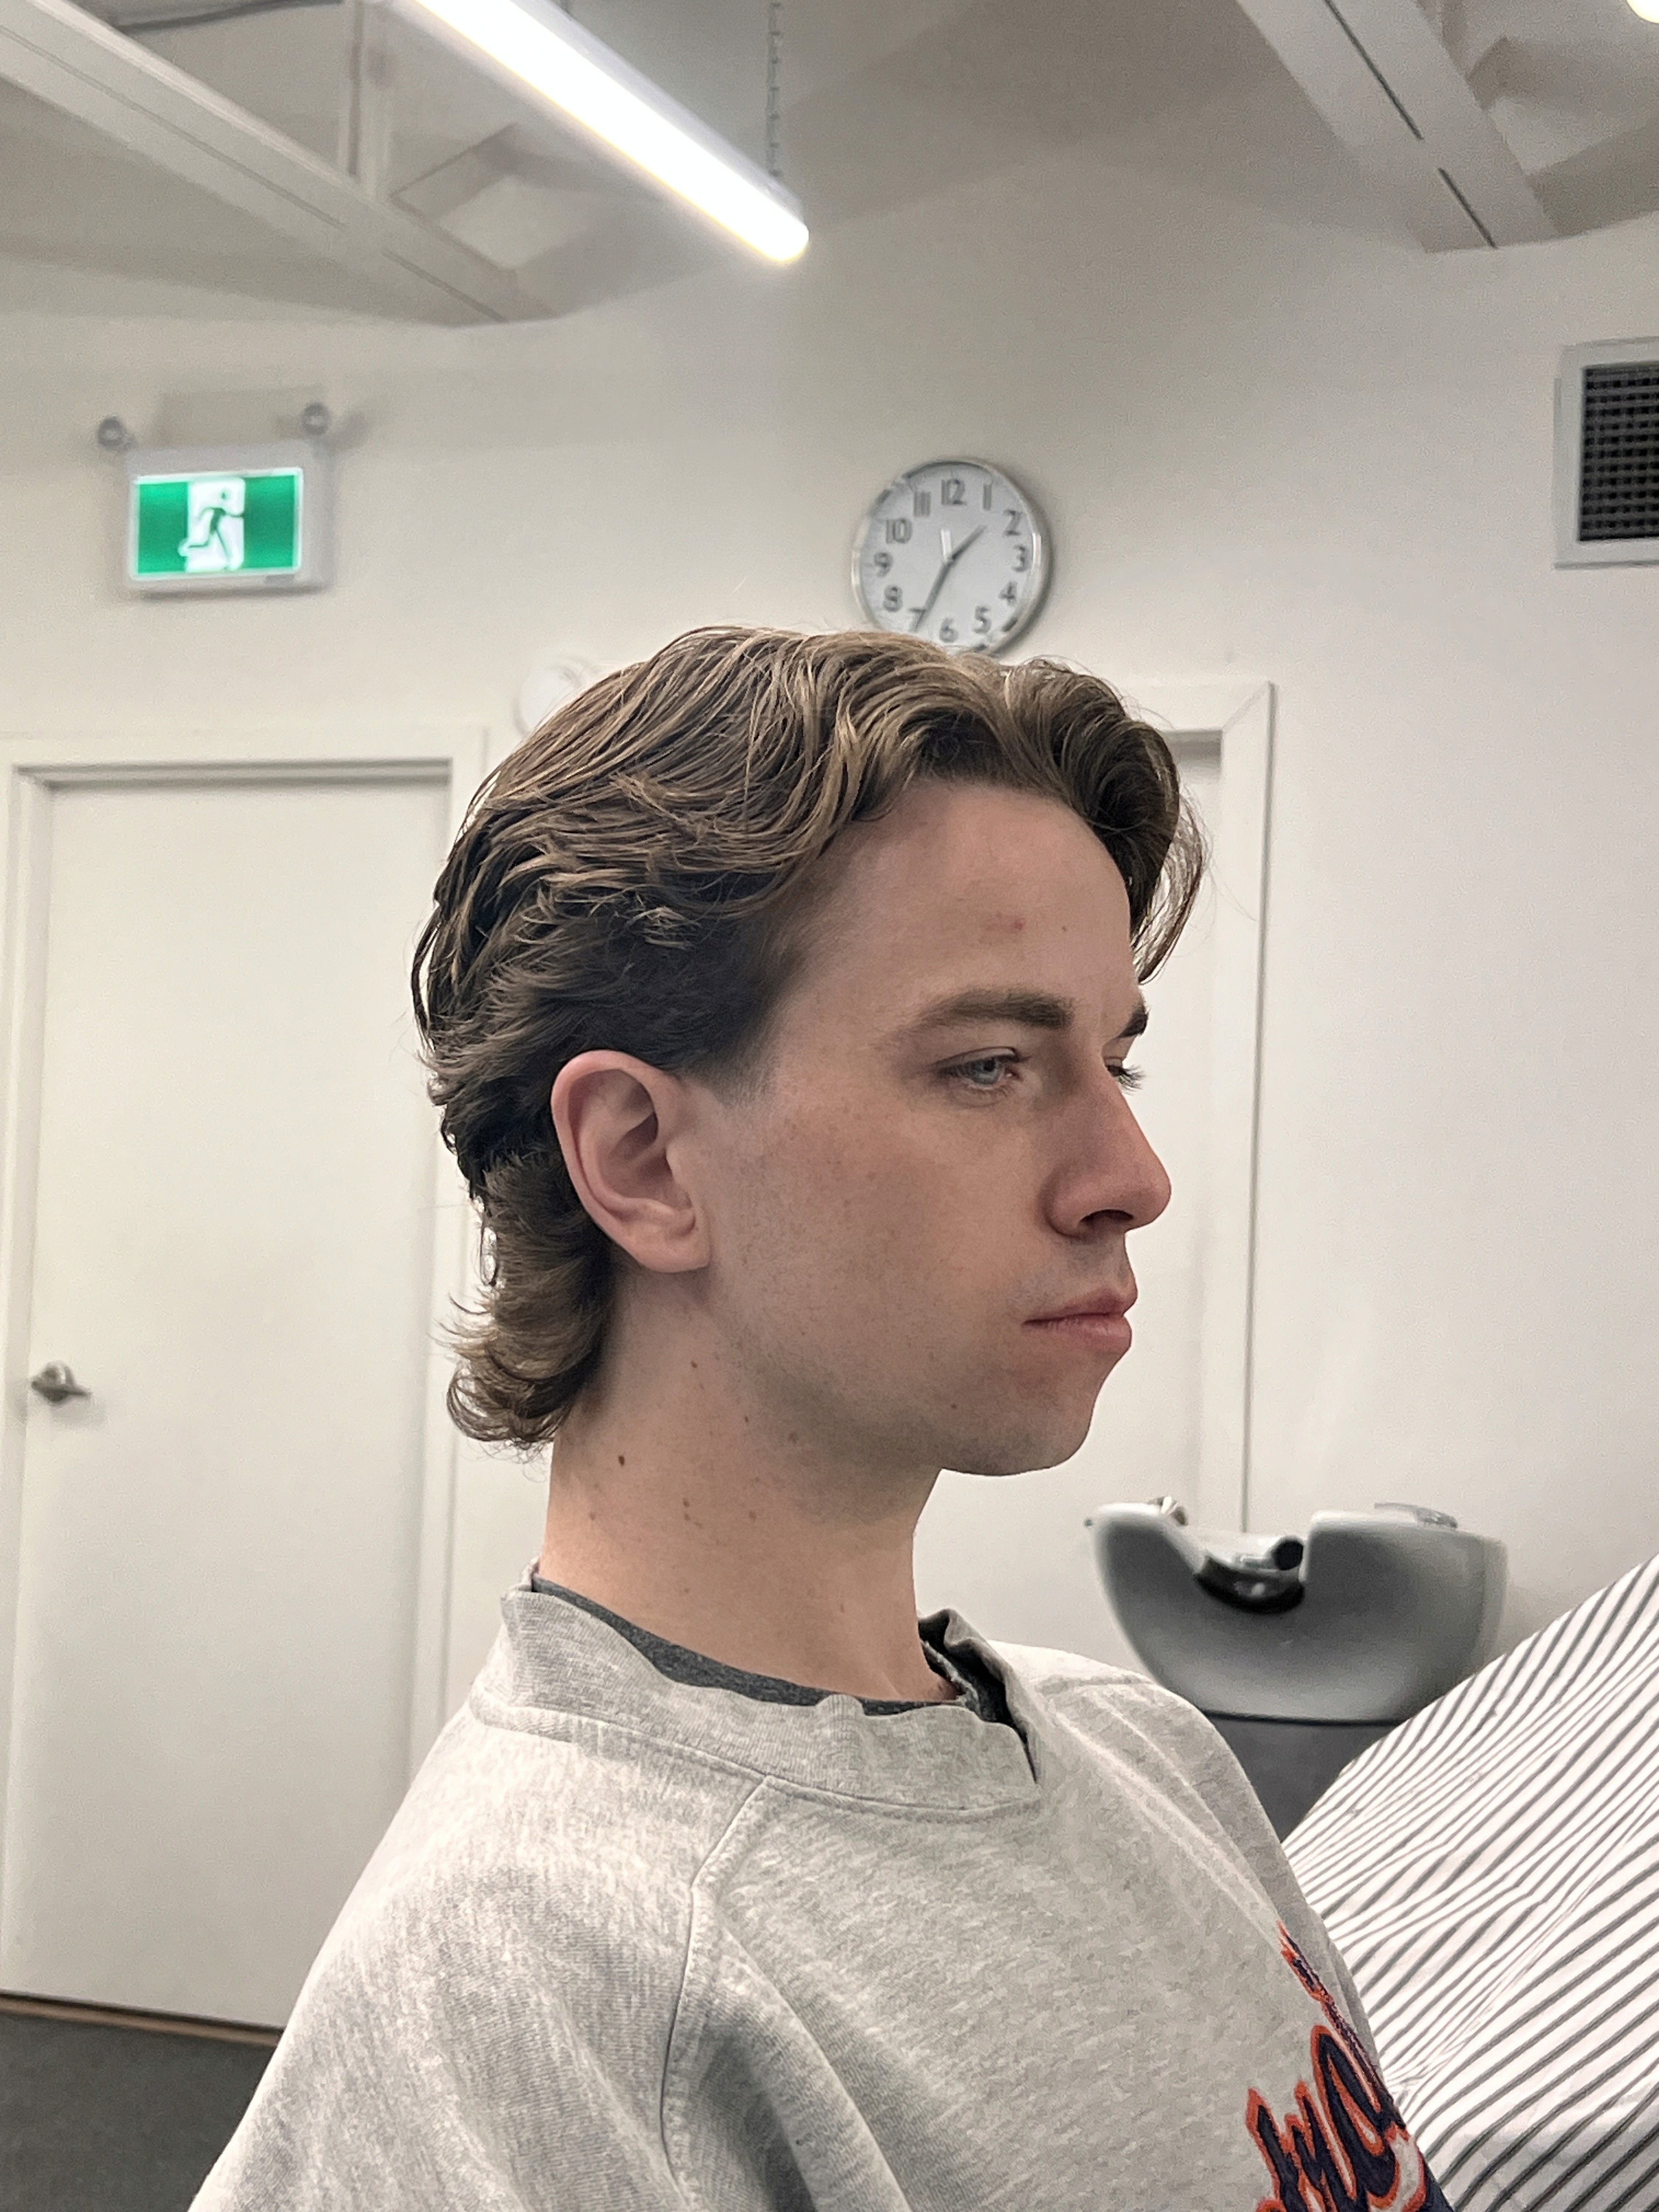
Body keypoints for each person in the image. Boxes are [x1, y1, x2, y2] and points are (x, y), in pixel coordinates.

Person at [193, 627, 1452, 2210]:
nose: (1131, 1176)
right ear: (644, 1158)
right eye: (991, 1065)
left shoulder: (1151, 1758)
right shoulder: (542, 1982)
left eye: (1117, 1059)